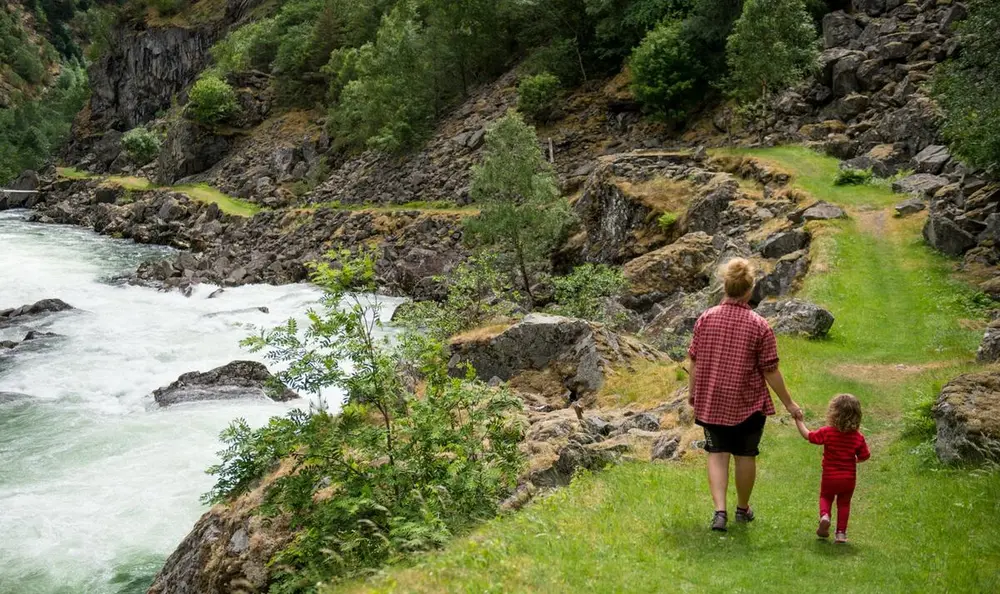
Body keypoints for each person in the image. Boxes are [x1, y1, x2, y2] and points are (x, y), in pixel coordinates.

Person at [687, 258, 803, 532]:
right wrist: (789, 403)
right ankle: (742, 508)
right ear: (749, 290)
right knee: (745, 455)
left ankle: (719, 513)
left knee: (717, 453)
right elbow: (770, 370)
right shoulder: (759, 325)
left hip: (713, 399)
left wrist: (694, 393)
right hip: (747, 403)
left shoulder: (706, 318)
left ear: (724, 286)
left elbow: (694, 360)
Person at [795, 393, 871, 543]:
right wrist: (854, 460)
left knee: (826, 496)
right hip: (848, 479)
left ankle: (824, 516)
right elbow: (865, 456)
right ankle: (841, 533)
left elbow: (808, 436)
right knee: (844, 503)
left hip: (829, 477)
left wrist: (799, 421)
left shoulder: (827, 432)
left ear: (833, 413)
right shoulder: (857, 437)